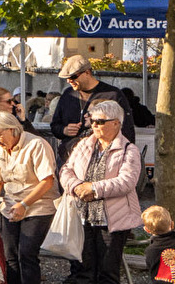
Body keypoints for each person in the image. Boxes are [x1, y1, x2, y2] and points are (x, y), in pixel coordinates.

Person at [57, 100, 141, 284]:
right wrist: (76, 186)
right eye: (92, 120)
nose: (94, 124)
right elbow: (65, 170)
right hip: (81, 216)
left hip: (112, 220)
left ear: (116, 123)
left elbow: (127, 182)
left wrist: (93, 189)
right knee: (83, 271)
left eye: (100, 121)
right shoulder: (83, 144)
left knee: (107, 273)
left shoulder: (129, 150)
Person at [0, 111, 58, 284]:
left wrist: (25, 204)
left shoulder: (37, 144)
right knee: (10, 254)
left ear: (12, 129)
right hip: (11, 205)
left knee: (27, 253)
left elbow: (47, 181)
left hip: (38, 205)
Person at [50, 56, 134, 160]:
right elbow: (55, 126)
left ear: (87, 73)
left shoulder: (113, 95)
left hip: (103, 158)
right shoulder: (68, 95)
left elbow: (127, 130)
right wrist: (64, 130)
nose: (69, 81)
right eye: (67, 78)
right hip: (69, 157)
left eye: (73, 77)